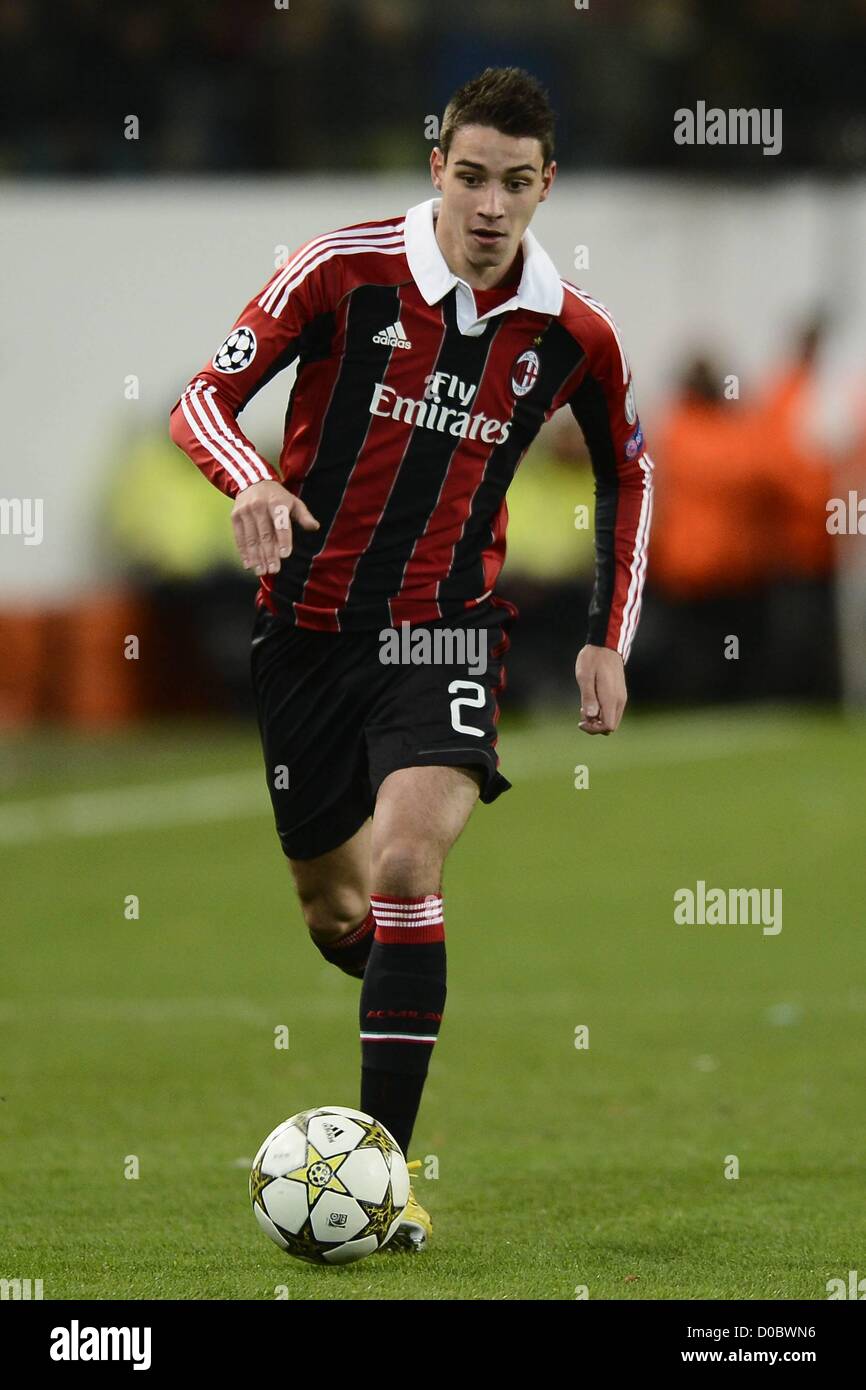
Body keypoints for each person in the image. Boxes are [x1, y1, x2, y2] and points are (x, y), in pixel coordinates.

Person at [169, 66, 654, 1251]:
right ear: (437, 167)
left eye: (517, 184)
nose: (491, 207)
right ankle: (404, 978)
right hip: (305, 635)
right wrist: (254, 482)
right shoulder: (339, 271)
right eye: (472, 177)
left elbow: (627, 469)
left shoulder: (571, 333)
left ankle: (382, 1179)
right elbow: (200, 399)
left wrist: (605, 637)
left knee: (399, 867)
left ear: (547, 187)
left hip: (443, 630)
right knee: (341, 916)